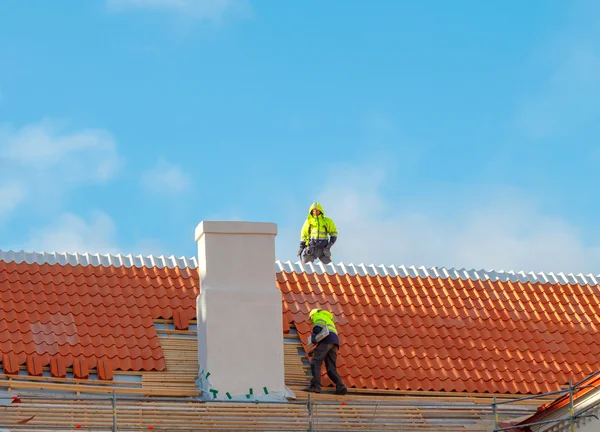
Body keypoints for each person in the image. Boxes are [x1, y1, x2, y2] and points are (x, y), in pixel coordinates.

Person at [304, 308, 348, 395]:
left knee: (315, 362)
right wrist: (314, 350)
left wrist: (314, 335)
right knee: (331, 367)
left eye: (311, 319)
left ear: (312, 315)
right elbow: (324, 344)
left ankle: (315, 386)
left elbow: (318, 326)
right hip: (334, 342)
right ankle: (341, 387)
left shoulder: (317, 315)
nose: (312, 321)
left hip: (327, 340)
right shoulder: (327, 317)